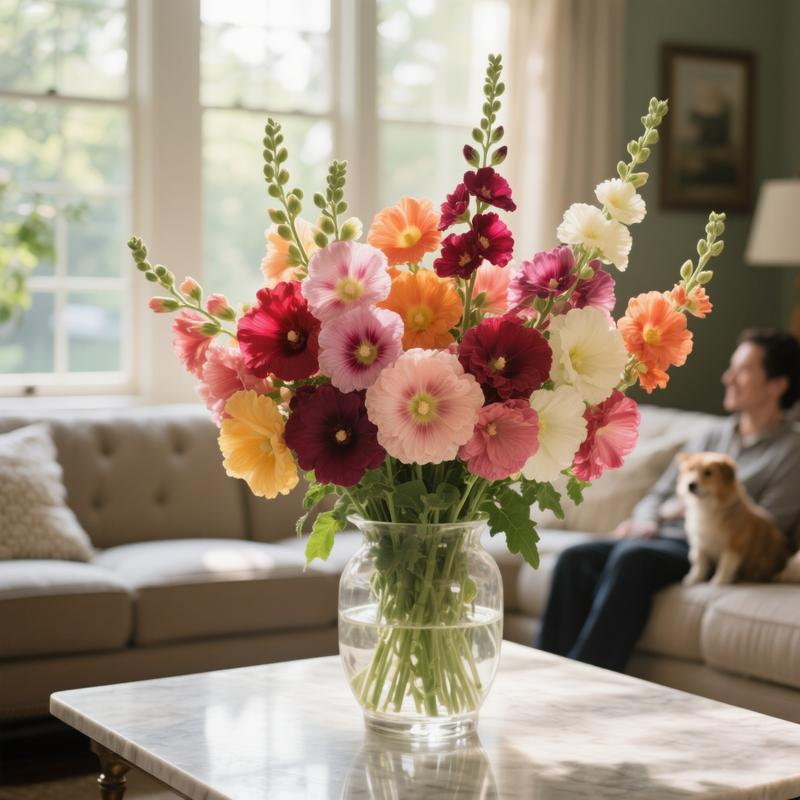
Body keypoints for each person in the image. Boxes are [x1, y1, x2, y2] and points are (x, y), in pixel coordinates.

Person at [537, 328, 800, 672]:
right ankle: (549, 675)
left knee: (634, 558)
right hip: (662, 534)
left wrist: (697, 506)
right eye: (731, 368)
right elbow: (659, 494)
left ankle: (587, 675)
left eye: (743, 371)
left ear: (777, 385)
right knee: (575, 558)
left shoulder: (791, 452)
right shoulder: (710, 435)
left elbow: (769, 527)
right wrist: (645, 520)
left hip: (713, 548)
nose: (728, 378)